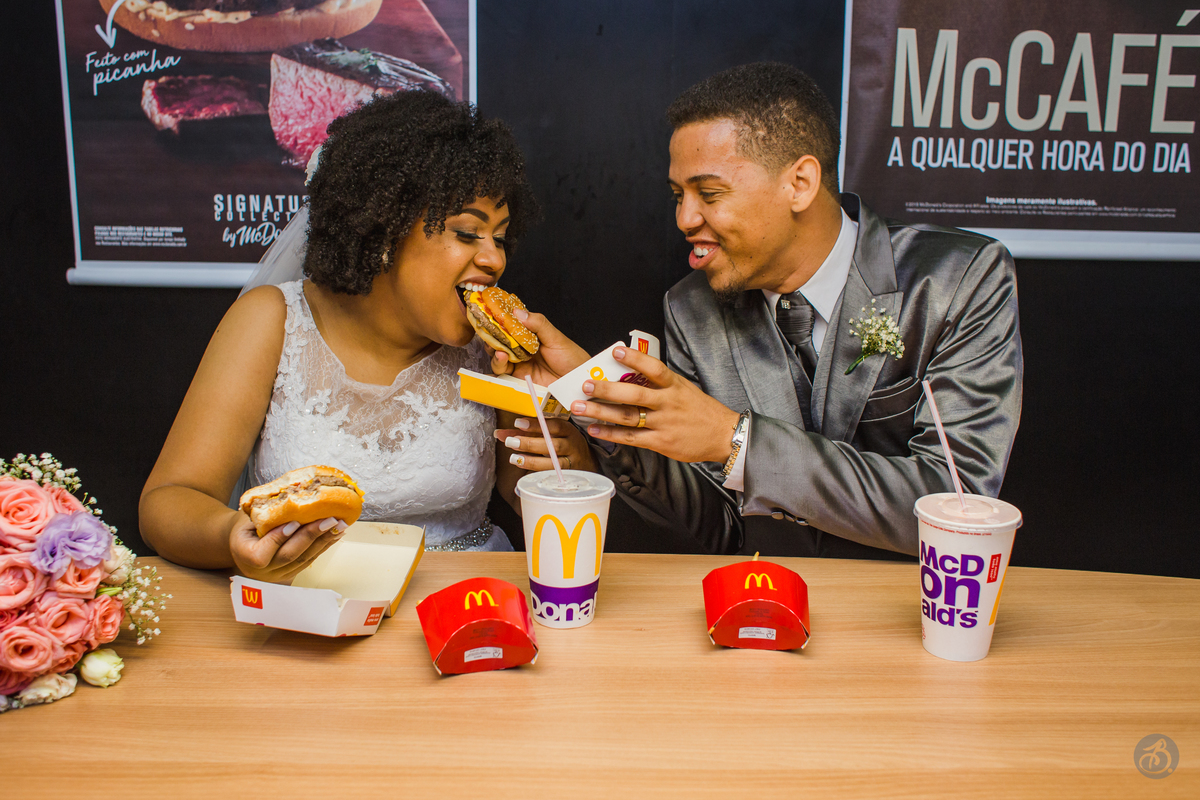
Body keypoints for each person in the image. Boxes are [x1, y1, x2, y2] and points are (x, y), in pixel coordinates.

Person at [495, 63, 1022, 559]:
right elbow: (719, 524)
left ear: (799, 183)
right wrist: (603, 398)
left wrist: (736, 439)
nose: (684, 217)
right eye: (678, 194)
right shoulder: (690, 307)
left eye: (709, 192)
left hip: (916, 615)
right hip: (765, 612)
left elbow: (960, 510)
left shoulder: (958, 279)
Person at [140, 90, 592, 582]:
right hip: (309, 609)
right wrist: (234, 535)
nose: (495, 260)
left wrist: (563, 440)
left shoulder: (497, 351)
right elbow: (169, 502)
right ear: (382, 231)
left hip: (470, 603)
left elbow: (549, 515)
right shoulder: (273, 320)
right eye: (467, 233)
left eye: (500, 238)